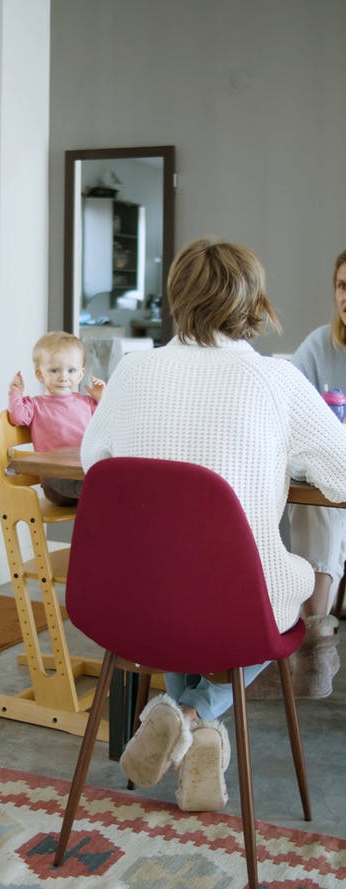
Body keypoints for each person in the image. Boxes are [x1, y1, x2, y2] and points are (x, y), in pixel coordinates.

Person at [80, 237, 346, 812]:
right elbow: (344, 476)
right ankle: (192, 715)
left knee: (182, 596)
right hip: (231, 606)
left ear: (179, 295)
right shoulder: (274, 381)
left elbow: (92, 463)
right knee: (266, 593)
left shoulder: (131, 371)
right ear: (252, 301)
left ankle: (188, 726)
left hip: (129, 598)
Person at [286, 249, 346, 698]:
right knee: (320, 496)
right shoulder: (320, 344)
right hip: (334, 474)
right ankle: (316, 633)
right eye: (342, 286)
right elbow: (288, 406)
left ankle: (313, 636)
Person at [8, 331, 105, 505]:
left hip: (83, 474)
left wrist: (101, 398)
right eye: (54, 370)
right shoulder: (35, 405)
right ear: (40, 374)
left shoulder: (88, 403)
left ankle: (101, 492)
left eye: (71, 370)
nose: (63, 377)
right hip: (55, 482)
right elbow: (17, 417)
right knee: (104, 488)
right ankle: (102, 492)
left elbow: (106, 422)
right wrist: (16, 393)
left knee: (108, 475)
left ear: (80, 374)